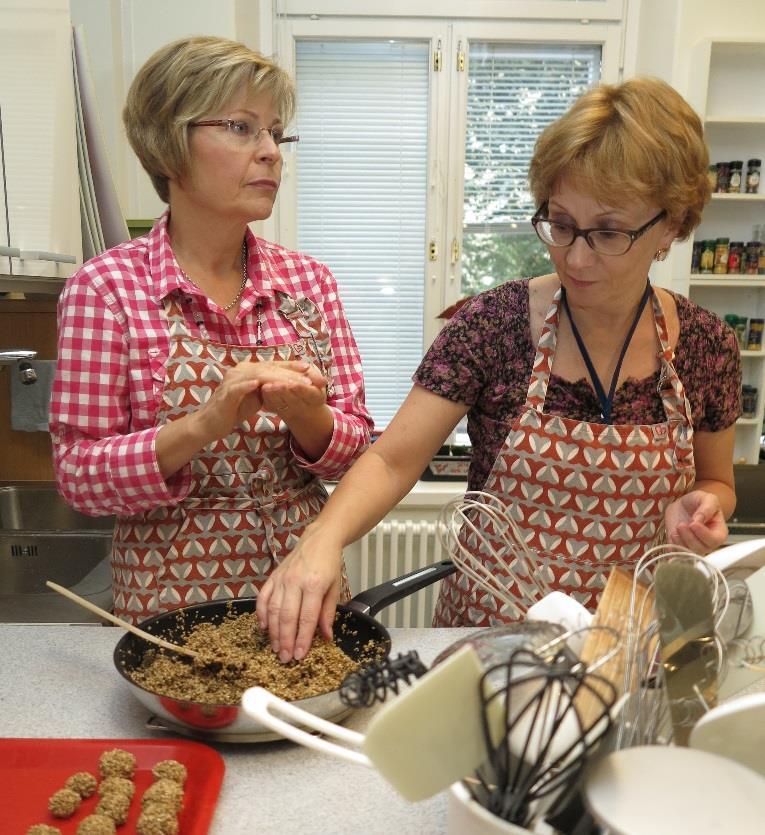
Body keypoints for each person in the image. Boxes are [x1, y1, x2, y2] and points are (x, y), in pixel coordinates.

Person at [257, 76, 741, 662]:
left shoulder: (707, 346)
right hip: (492, 643)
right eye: (560, 224)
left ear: (672, 225)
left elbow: (717, 483)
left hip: (637, 645)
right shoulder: (495, 324)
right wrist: (322, 540)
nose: (576, 257)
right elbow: (391, 458)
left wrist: (705, 508)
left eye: (609, 232)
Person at [50, 36, 372, 623]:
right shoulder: (106, 289)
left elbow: (358, 454)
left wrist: (309, 416)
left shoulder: (309, 284)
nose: (272, 151)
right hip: (170, 604)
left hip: (302, 591)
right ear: (168, 143)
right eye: (243, 128)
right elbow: (79, 477)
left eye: (277, 132)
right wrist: (205, 423)